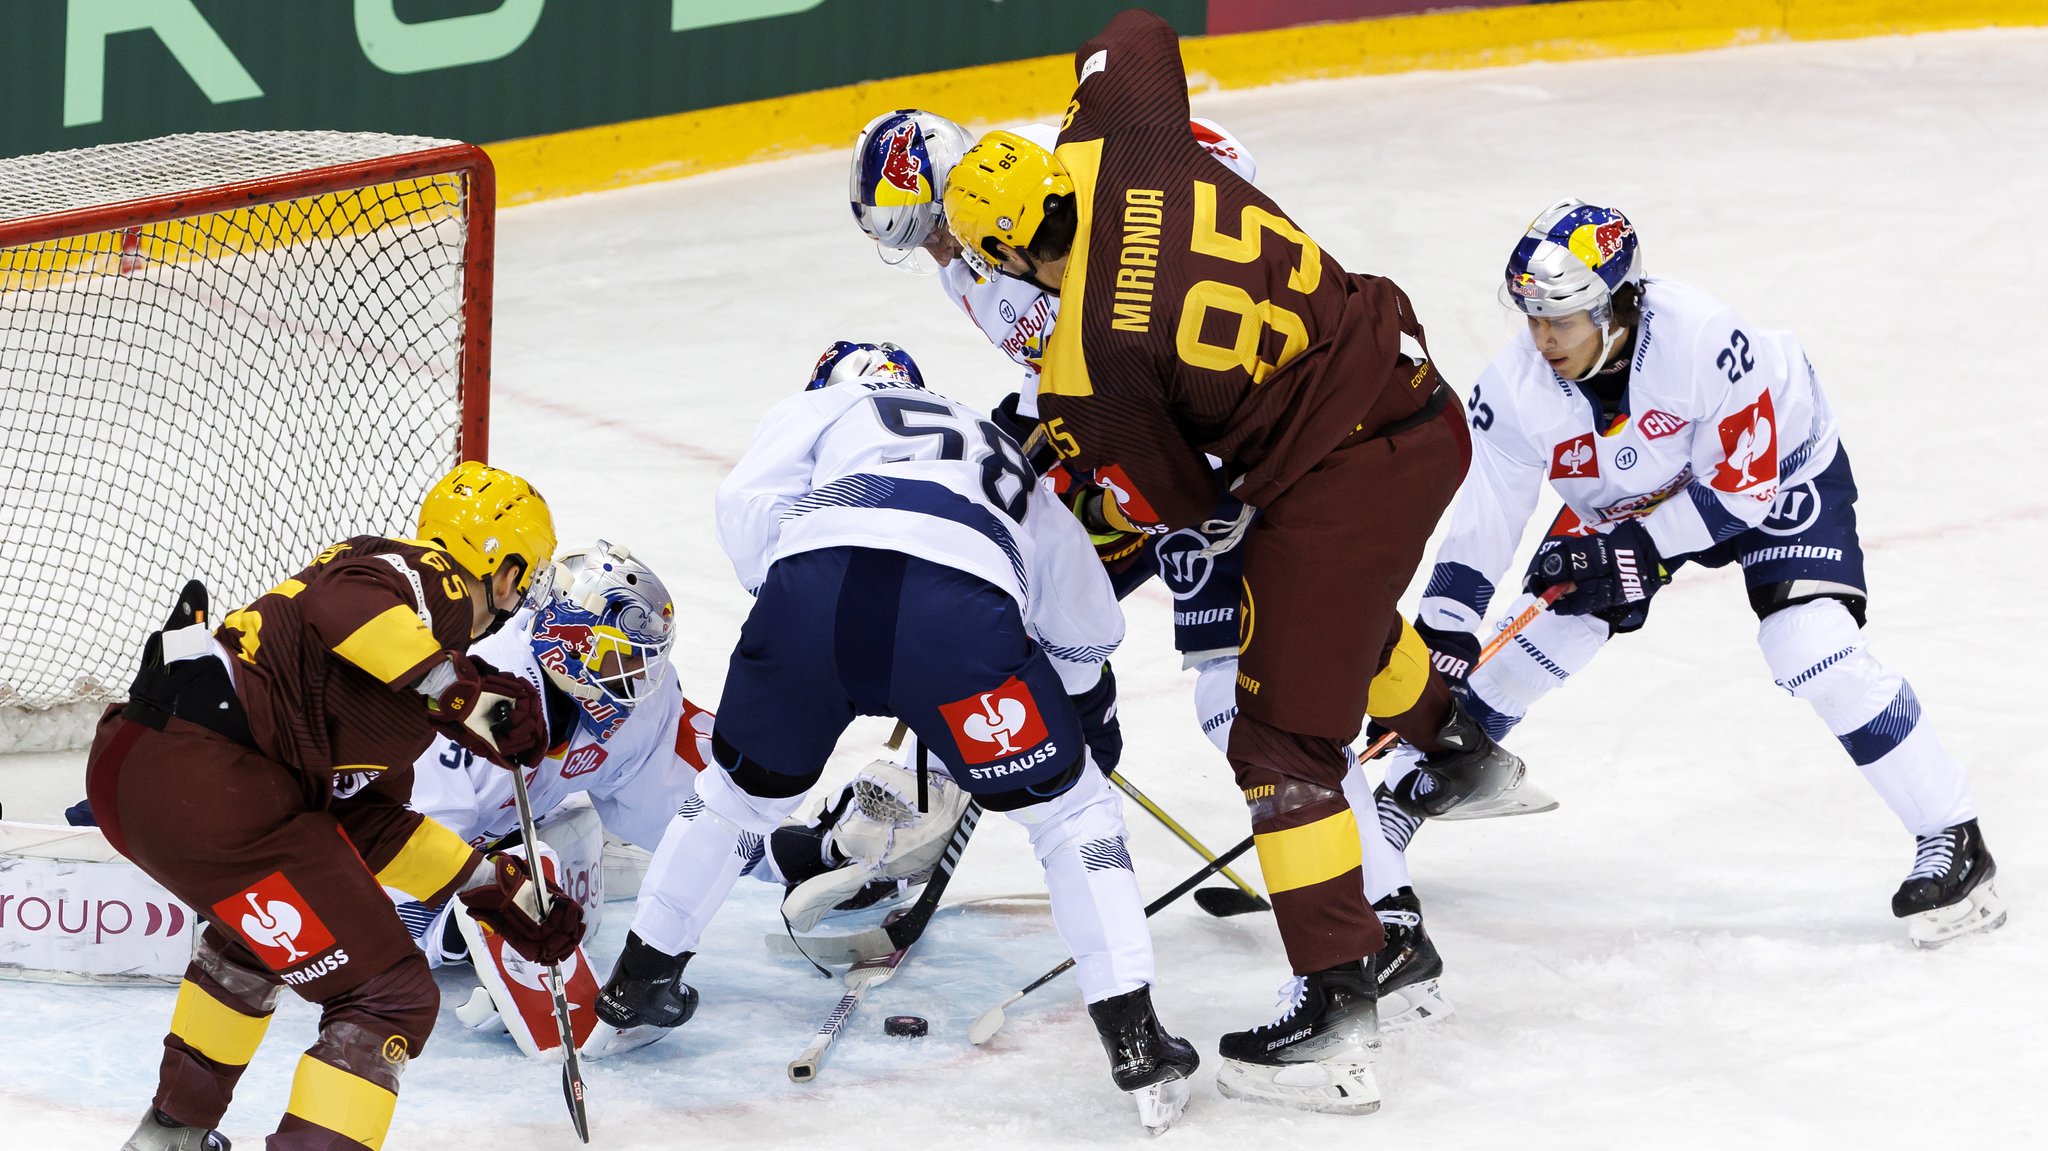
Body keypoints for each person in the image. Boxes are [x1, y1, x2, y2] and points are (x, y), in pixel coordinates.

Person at [939, 9, 1523, 1114]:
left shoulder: (1086, 365)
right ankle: (1448, 737)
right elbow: (1133, 30)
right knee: (1314, 625)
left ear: (1008, 251)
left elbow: (1185, 508)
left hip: (1351, 475)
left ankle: (1345, 991)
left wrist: (1079, 459)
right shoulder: (1130, 136)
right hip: (1409, 384)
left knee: (1277, 743)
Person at [583, 342, 1198, 1133]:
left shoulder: (829, 405)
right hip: (957, 620)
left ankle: (638, 986)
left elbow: (744, 500)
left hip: (812, 595)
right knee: (1072, 814)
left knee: (733, 800)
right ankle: (1136, 1040)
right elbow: (1082, 621)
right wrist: (1080, 722)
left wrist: (801, 600)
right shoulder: (997, 444)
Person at [1370, 199, 2003, 958]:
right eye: (1532, 317)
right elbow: (1485, 516)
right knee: (1529, 644)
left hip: (1775, 471)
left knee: (1812, 650)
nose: (1542, 339)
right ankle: (1391, 812)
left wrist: (1640, 549)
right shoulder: (1517, 386)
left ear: (1619, 305)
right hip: (1633, 493)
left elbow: (1744, 492)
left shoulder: (1703, 337)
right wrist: (1446, 623)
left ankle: (1952, 836)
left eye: (1561, 319)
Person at [87, 462, 584, 1151]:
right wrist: (471, 699)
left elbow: (367, 824)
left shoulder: (401, 678)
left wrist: (492, 888)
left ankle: (168, 1136)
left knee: (255, 943)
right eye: (523, 580)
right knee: (392, 995)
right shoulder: (421, 582)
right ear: (503, 573)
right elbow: (343, 601)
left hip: (140, 769)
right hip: (215, 776)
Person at [849, 108, 1256, 760]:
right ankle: (1086, 722)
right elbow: (1055, 354)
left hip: (1209, 416)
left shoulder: (1041, 156)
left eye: (929, 227)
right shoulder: (964, 270)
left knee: (1230, 671)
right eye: (915, 241)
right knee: (1031, 591)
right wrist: (1028, 422)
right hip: (1135, 443)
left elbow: (1227, 155)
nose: (935, 249)